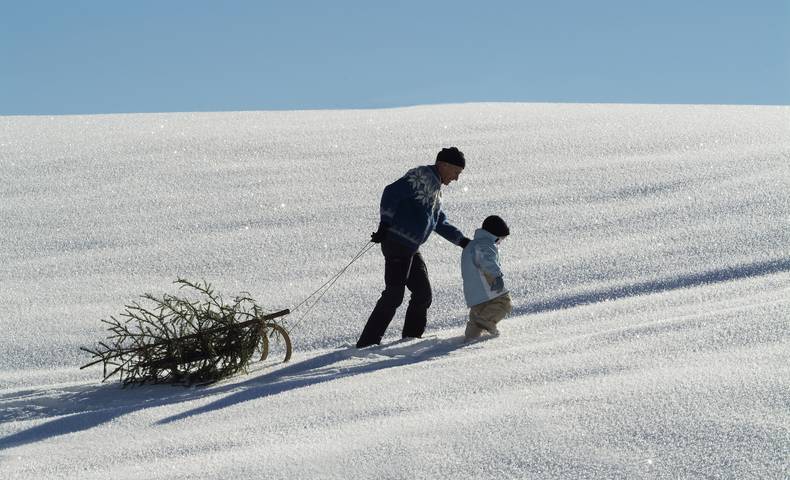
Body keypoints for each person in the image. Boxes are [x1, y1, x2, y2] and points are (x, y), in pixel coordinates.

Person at [356, 147, 471, 348]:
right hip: (397, 244)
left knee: (422, 294)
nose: (456, 178)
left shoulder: (435, 189)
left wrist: (462, 241)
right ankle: (367, 344)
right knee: (394, 294)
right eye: (456, 172)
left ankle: (409, 340)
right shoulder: (422, 176)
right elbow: (391, 192)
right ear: (444, 165)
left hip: (410, 248)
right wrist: (385, 223)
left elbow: (438, 222)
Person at [461, 215, 512, 340]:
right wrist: (497, 276)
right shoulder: (485, 244)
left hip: (473, 292)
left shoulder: (472, 245)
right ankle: (486, 321)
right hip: (486, 284)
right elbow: (487, 261)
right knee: (504, 303)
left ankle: (471, 338)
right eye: (501, 238)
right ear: (495, 234)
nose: (501, 242)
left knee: (478, 314)